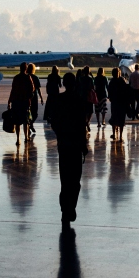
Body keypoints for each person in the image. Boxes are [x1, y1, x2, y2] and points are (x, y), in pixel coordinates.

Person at [50, 72, 89, 229]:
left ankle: (65, 209)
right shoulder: (80, 101)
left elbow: (54, 122)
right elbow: (82, 125)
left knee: (65, 180)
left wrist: (60, 134)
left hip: (64, 145)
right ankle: (70, 206)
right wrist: (84, 145)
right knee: (75, 181)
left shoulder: (58, 100)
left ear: (64, 84)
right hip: (76, 146)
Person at [8, 62, 34, 145]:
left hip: (16, 102)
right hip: (25, 102)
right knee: (25, 121)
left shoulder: (16, 78)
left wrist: (9, 101)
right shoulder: (28, 77)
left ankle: (18, 139)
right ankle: (26, 137)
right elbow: (32, 89)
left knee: (17, 122)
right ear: (26, 69)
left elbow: (13, 90)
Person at [107, 67, 129, 139]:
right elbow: (126, 90)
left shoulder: (112, 81)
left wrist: (110, 97)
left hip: (114, 102)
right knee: (121, 119)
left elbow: (109, 91)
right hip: (122, 102)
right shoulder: (122, 80)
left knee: (114, 117)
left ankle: (114, 134)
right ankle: (121, 136)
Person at [27, 63, 43, 137]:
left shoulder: (26, 77)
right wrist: (41, 98)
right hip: (34, 97)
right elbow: (38, 89)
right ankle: (31, 124)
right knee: (35, 113)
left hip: (26, 97)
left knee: (27, 113)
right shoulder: (36, 77)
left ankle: (29, 125)